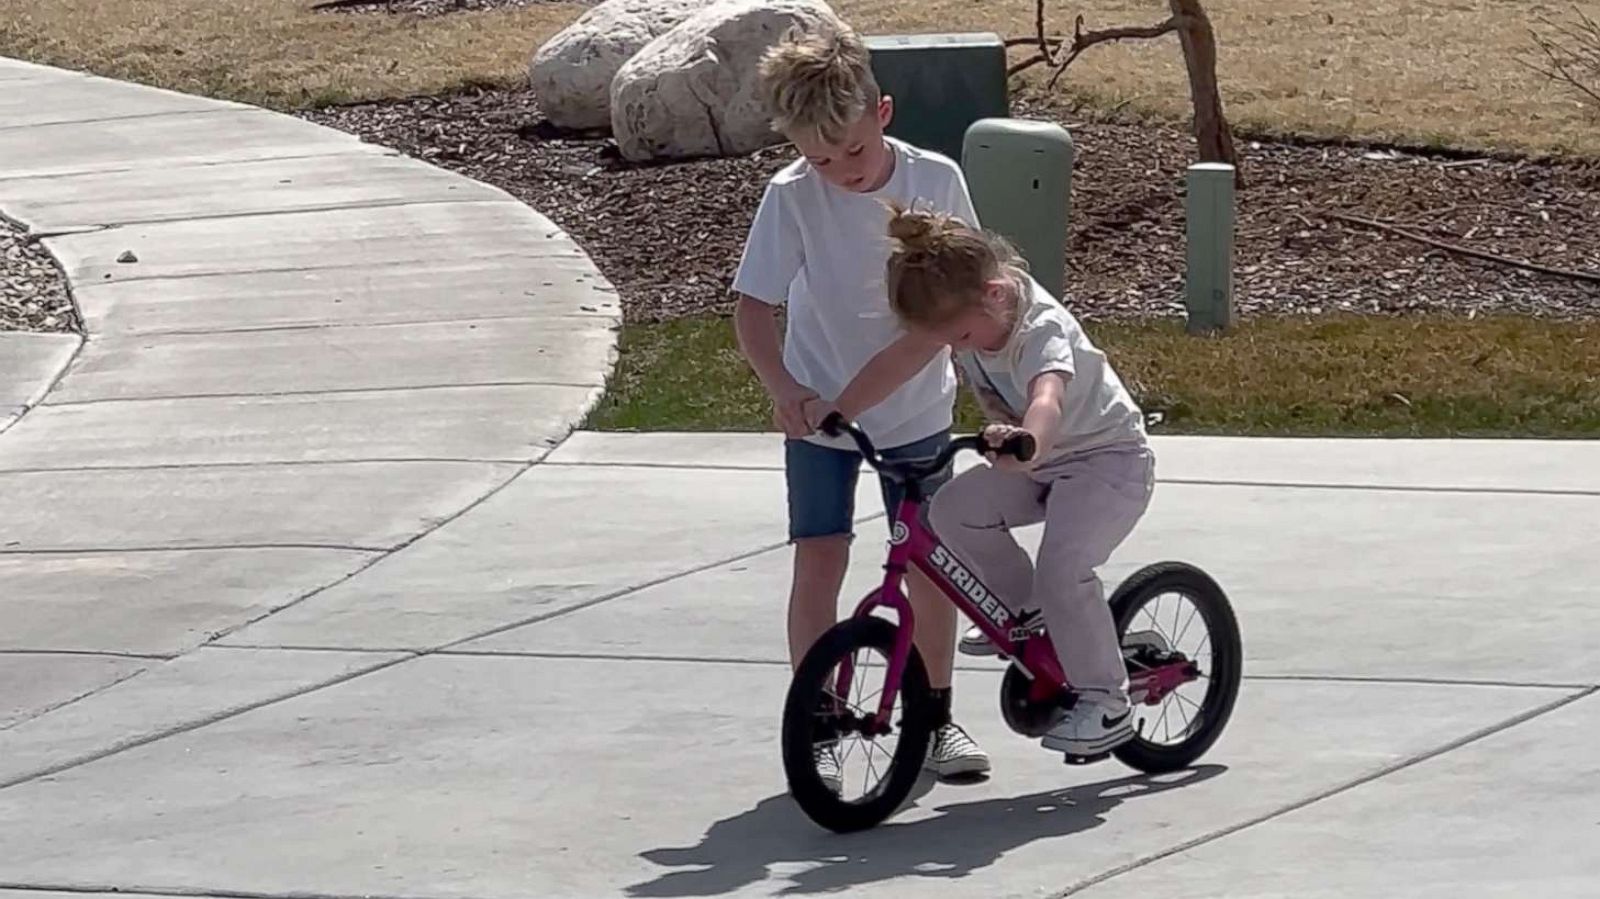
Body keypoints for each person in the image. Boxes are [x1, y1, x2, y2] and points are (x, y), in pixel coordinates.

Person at [731, 20, 991, 789]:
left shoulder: (935, 179)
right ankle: (818, 719)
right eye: (818, 157)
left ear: (882, 112)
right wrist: (788, 392)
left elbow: (964, 296)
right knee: (821, 556)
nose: (839, 169)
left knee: (929, 570)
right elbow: (753, 309)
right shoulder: (792, 197)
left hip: (915, 412)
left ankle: (936, 715)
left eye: (851, 149)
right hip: (820, 419)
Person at [874, 203, 1156, 757]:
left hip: (1108, 460)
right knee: (953, 511)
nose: (957, 348)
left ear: (996, 296)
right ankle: (1030, 614)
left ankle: (1107, 701)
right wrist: (836, 409)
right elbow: (898, 362)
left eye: (961, 336)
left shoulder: (1039, 329)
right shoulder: (977, 315)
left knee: (1064, 569)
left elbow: (1047, 396)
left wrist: (1028, 443)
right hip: (1039, 461)